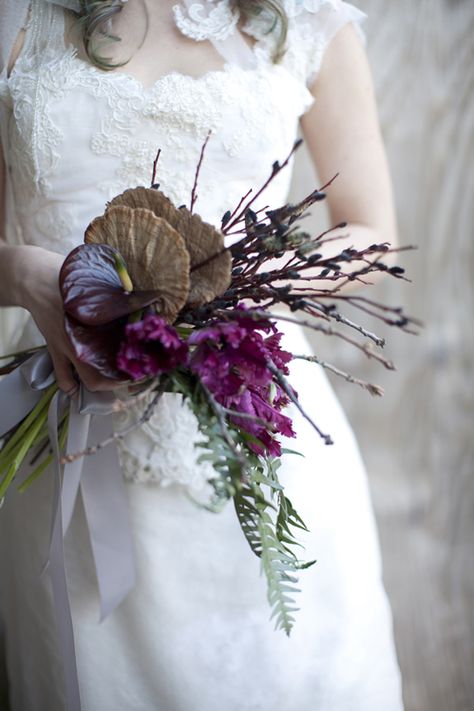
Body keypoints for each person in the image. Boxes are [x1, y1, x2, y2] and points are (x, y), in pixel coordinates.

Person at [0, 0, 404, 709]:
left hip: (256, 430)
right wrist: (32, 275)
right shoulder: (17, 17)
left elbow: (370, 228)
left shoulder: (306, 18)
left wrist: (229, 293)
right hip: (70, 445)